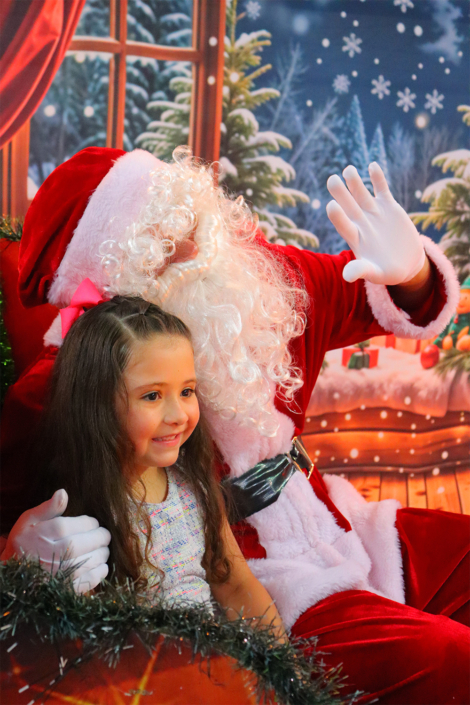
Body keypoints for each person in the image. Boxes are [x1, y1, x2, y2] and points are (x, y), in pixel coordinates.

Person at [1, 147, 469, 703]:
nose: (192, 245)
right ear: (111, 274)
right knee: (448, 659)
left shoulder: (262, 284)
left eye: (187, 214)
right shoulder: (63, 389)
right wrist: (18, 551)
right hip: (265, 589)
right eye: (159, 237)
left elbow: (366, 292)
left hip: (341, 524)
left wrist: (413, 274)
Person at [29, 291, 287, 640]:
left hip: (217, 660)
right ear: (96, 405)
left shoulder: (192, 484)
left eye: (187, 391)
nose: (179, 415)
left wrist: (282, 664)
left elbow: (236, 585)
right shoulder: (77, 514)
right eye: (152, 396)